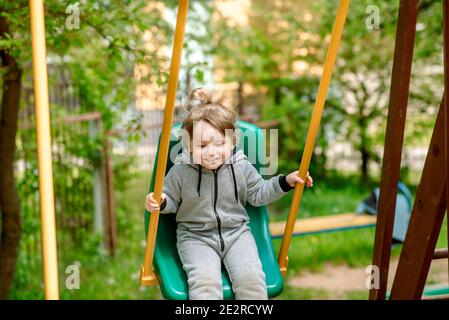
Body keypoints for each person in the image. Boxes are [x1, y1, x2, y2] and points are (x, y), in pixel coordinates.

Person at [145, 88, 313, 300]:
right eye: (203, 145)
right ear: (188, 145)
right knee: (204, 284)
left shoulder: (241, 167)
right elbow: (170, 200)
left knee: (252, 280)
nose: (212, 152)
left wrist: (285, 181)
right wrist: (159, 201)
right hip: (195, 237)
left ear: (232, 141)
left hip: (237, 234)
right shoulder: (181, 171)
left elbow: (259, 193)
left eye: (220, 143)